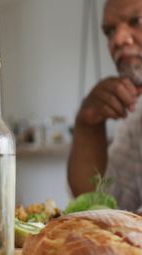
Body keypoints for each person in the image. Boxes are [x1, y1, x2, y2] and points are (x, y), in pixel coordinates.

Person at [68, 0, 142, 211]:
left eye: (136, 21)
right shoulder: (136, 124)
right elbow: (97, 204)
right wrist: (87, 125)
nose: (117, 40)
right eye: (110, 31)